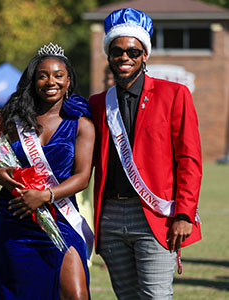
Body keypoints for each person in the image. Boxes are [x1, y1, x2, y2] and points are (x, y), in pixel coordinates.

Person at [89, 8, 202, 299]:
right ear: (109, 55)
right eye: (117, 50)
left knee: (156, 295)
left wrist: (185, 214)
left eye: (133, 51)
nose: (124, 57)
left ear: (145, 54)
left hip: (157, 215)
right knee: (126, 296)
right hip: (111, 216)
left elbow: (189, 160)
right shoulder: (98, 103)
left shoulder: (174, 94)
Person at [0, 43, 95, 299]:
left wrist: (46, 195)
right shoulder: (13, 117)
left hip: (60, 216)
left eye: (58, 75)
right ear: (33, 80)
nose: (51, 81)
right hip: (14, 218)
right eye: (43, 75)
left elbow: (82, 178)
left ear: (68, 81)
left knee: (76, 293)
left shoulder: (81, 125)